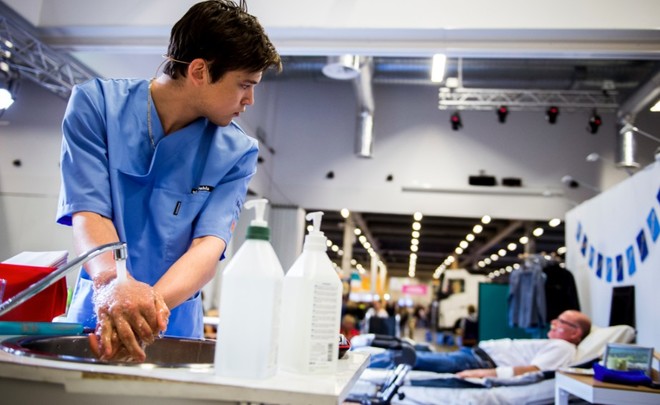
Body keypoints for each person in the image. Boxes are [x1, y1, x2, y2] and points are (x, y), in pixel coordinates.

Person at [56, 0, 281, 362]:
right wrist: (115, 286)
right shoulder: (96, 106)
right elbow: (89, 213)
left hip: (172, 323)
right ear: (199, 71)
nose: (250, 100)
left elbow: (208, 247)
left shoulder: (236, 152)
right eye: (244, 84)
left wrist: (145, 311)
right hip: (98, 313)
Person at [367, 310, 591, 379]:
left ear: (575, 332)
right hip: (473, 354)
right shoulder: (555, 344)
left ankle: (363, 365)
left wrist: (483, 373)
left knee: (409, 357)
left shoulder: (563, 347)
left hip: (476, 361)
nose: (553, 322)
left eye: (561, 322)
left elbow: (533, 371)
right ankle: (366, 357)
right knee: (414, 351)